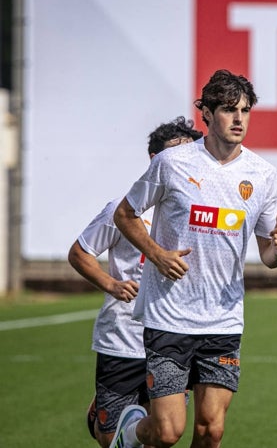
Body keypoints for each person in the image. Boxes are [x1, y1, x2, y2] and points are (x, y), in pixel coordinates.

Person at [110, 69, 277, 448]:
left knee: (212, 431)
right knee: (168, 432)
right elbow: (125, 215)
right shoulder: (173, 163)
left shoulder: (264, 174)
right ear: (206, 114)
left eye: (245, 109)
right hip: (170, 315)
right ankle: (129, 434)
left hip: (224, 319)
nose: (239, 118)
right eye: (228, 109)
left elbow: (268, 256)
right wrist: (157, 254)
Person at [69, 117, 202, 448]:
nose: (180, 163)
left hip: (174, 335)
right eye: (173, 154)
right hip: (123, 336)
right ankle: (103, 413)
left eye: (189, 155)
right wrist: (111, 284)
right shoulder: (122, 210)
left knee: (163, 433)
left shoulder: (197, 212)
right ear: (154, 160)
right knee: (109, 437)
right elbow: (79, 253)